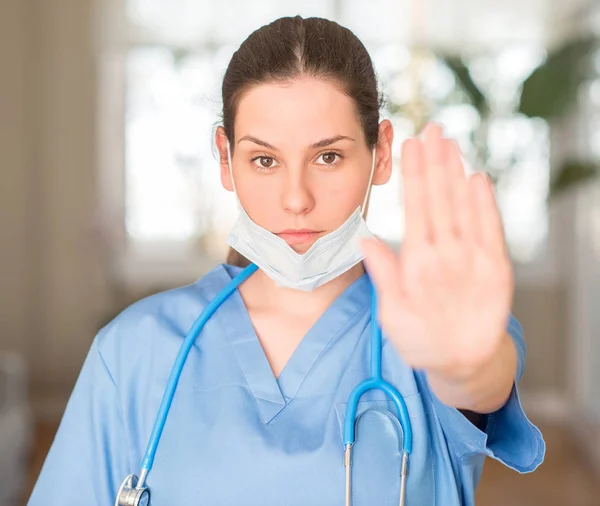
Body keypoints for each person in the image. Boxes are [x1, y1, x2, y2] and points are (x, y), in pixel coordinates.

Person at [28, 15, 545, 506]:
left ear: (381, 154)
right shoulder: (133, 351)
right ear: (226, 159)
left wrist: (465, 366)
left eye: (328, 157)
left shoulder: (438, 330)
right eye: (265, 160)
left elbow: (479, 379)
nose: (295, 198)